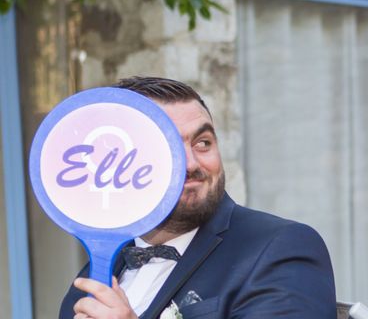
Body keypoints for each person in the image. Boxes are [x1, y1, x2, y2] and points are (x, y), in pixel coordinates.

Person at [59, 76, 337, 319]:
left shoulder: (280, 249)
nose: (191, 163)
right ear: (118, 164)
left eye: (202, 143)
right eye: (166, 147)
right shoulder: (91, 281)